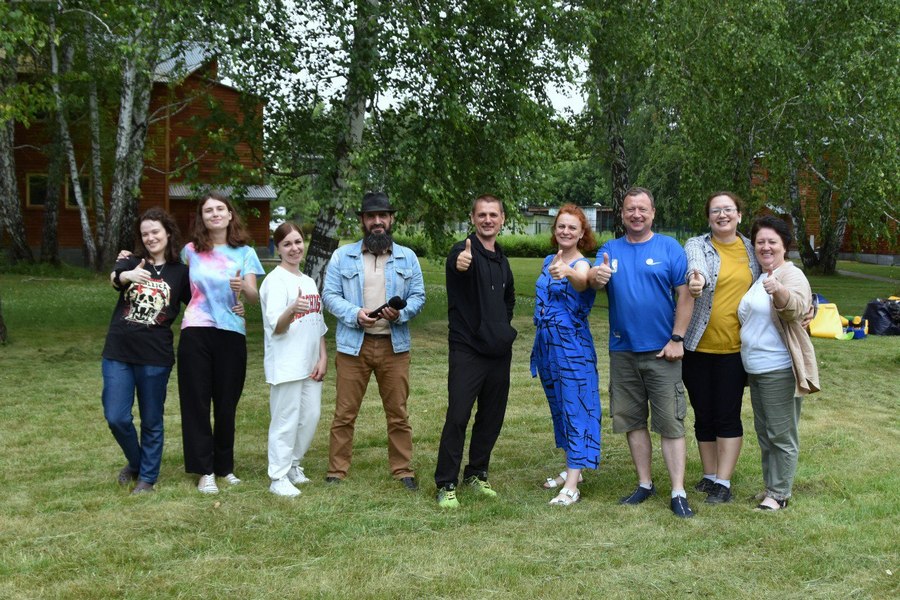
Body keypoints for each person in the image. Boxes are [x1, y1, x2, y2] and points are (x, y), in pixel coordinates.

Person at [589, 186, 696, 518]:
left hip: (663, 351)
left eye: (642, 209)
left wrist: (677, 338)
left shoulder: (669, 247)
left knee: (671, 422)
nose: (636, 214)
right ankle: (645, 484)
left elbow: (685, 295)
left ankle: (678, 492)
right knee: (632, 421)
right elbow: (592, 278)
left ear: (652, 213)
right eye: (630, 209)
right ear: (622, 214)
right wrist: (596, 275)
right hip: (623, 351)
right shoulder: (610, 250)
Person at [321, 191, 426, 490]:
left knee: (398, 413)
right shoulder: (343, 256)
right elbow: (329, 295)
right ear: (363, 221)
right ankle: (337, 470)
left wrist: (400, 314)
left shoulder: (407, 257)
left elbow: (418, 296)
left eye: (383, 216)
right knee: (344, 413)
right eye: (371, 216)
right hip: (354, 346)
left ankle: (403, 470)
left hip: (394, 347)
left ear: (391, 219)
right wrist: (355, 314)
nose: (377, 221)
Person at [435, 194, 517, 509]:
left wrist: (500, 328)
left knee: (491, 417)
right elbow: (459, 266)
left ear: (502, 219)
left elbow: (509, 299)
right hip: (467, 349)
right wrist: (461, 263)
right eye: (481, 214)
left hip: (498, 351)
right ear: (472, 218)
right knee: (458, 415)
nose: (487, 220)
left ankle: (477, 472)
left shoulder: (502, 259)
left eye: (493, 214)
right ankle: (446, 483)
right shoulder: (462, 251)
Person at [178, 192, 264, 494]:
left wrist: (244, 289)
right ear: (202, 217)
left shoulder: (246, 252)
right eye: (208, 210)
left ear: (230, 215)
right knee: (197, 402)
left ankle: (225, 468)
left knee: (227, 402)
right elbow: (175, 281)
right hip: (196, 330)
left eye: (220, 209)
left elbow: (253, 297)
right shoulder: (190, 251)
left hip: (231, 332)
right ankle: (205, 471)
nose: (214, 214)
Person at [102, 207, 190, 494]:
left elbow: (198, 304)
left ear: (168, 233)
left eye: (155, 232)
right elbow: (114, 279)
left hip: (155, 356)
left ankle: (147, 479)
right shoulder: (131, 260)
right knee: (116, 417)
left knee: (152, 419)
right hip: (118, 350)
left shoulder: (181, 273)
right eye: (145, 234)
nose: (150, 238)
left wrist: (234, 304)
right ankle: (137, 462)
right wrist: (127, 275)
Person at [682, 192, 759, 504]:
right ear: (708, 217)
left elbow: (777, 269)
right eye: (716, 210)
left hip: (735, 349)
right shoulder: (697, 244)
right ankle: (710, 475)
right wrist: (697, 280)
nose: (722, 215)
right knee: (703, 414)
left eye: (728, 209)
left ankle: (724, 483)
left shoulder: (752, 249)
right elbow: (696, 266)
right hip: (697, 347)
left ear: (739, 215)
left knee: (727, 414)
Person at [738, 215, 819, 511]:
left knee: (781, 434)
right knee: (765, 433)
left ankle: (780, 494)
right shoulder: (759, 277)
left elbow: (796, 307)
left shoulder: (790, 275)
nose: (766, 247)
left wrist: (779, 292)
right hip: (756, 368)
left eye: (772, 241)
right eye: (760, 242)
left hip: (778, 368)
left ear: (784, 245)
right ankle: (771, 486)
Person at [531, 205, 601, 506]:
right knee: (560, 407)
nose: (566, 231)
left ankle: (572, 485)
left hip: (572, 348)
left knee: (576, 408)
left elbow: (583, 281)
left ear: (582, 233)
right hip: (547, 345)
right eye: (561, 226)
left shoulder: (582, 264)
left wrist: (568, 272)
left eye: (572, 227)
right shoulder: (549, 260)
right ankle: (574, 470)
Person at [260, 223, 328, 498]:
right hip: (287, 362)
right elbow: (277, 327)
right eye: (287, 244)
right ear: (278, 248)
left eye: (298, 242)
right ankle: (277, 477)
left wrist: (323, 356)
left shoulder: (308, 281)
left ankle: (293, 465)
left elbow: (317, 322)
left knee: (310, 416)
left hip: (310, 362)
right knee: (285, 420)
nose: (294, 248)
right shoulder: (274, 281)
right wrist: (292, 309)